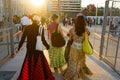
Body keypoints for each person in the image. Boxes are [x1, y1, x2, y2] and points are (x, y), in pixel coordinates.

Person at [16, 15, 55, 80]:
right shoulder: (40, 28)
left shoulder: (27, 28)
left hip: (30, 48)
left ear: (31, 20)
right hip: (38, 48)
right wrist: (48, 46)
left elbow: (22, 39)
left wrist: (19, 47)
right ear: (37, 21)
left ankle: (30, 77)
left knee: (29, 62)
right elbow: (43, 40)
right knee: (40, 63)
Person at [63, 13, 92, 80]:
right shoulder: (86, 30)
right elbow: (87, 38)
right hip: (81, 49)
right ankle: (78, 73)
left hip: (74, 48)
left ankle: (71, 75)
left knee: (73, 62)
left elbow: (70, 39)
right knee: (80, 62)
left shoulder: (72, 30)